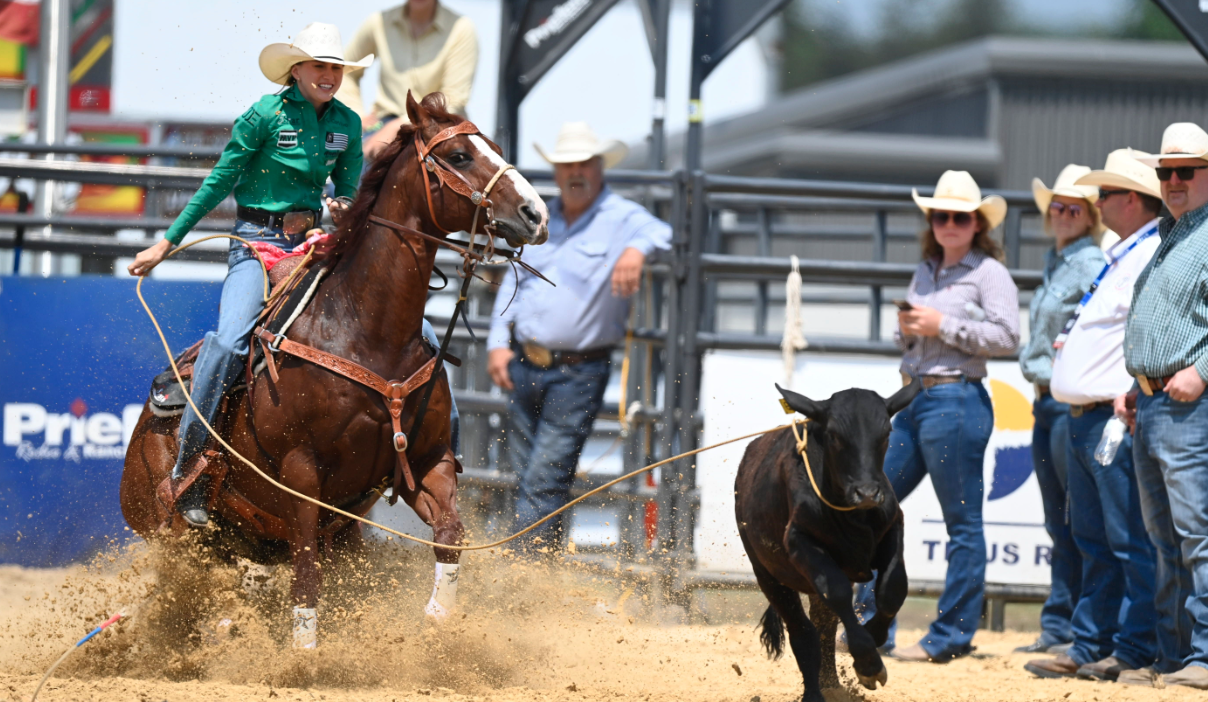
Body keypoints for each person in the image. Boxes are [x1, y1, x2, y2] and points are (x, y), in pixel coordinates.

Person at [125, 23, 372, 526]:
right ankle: (190, 465)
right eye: (319, 66)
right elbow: (221, 180)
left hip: (313, 246)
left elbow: (351, 189)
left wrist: (343, 212)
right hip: (254, 245)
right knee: (229, 340)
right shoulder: (264, 115)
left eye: (335, 68)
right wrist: (167, 242)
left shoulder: (347, 122)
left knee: (397, 333)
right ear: (296, 70)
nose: (328, 75)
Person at [854, 170, 1020, 663]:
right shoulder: (926, 270)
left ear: (976, 223)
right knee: (871, 505)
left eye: (960, 216)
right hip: (913, 397)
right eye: (941, 215)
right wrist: (907, 329)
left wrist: (940, 324)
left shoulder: (990, 273)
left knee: (962, 523)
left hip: (955, 399)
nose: (949, 222)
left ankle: (950, 636)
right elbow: (910, 340)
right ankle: (874, 626)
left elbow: (1008, 336)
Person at [486, 122, 671, 551]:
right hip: (523, 361)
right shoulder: (540, 217)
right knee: (531, 475)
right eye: (567, 163)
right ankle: (543, 569)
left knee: (543, 476)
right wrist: (498, 340)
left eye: (584, 162)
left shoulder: (622, 218)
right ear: (556, 169)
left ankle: (520, 570)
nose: (575, 171)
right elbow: (517, 281)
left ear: (599, 166)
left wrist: (635, 250)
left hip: (578, 370)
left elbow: (663, 234)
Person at [1024, 151, 1163, 681]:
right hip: (1085, 414)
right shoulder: (1121, 253)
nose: (1097, 202)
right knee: (1093, 536)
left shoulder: (1143, 253)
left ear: (1131, 199)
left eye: (1104, 194)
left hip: (1111, 413)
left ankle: (1130, 647)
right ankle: (1092, 643)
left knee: (1125, 537)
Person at [1114, 122, 1208, 690]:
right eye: (1165, 172)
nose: (1172, 180)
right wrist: (1138, 382)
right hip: (1153, 403)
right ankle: (1177, 657)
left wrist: (1202, 370)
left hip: (1188, 407)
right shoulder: (1175, 233)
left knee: (1195, 533)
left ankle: (1202, 654)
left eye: (1186, 171)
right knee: (1168, 538)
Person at [1015, 165, 1107, 657]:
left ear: (1091, 216)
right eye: (1059, 206)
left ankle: (1071, 625)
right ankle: (1061, 624)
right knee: (1062, 520)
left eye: (1075, 208)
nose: (1064, 214)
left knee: (1075, 519)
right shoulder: (1060, 260)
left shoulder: (1090, 262)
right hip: (1047, 400)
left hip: (1064, 400)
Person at [336, 0, 478, 160]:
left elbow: (454, 99)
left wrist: (399, 126)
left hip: (441, 130)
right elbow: (344, 71)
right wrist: (356, 116)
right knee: (344, 179)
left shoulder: (461, 29)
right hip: (383, 125)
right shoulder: (378, 23)